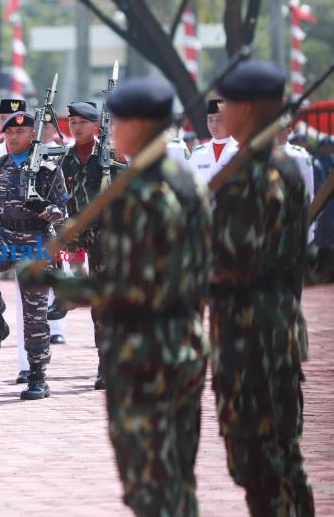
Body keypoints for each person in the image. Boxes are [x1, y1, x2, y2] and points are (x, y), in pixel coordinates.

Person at [23, 77, 212, 514]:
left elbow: (127, 285)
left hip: (148, 349)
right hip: (179, 343)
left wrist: (56, 285)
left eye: (119, 122)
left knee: (150, 481)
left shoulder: (140, 192)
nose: (113, 131)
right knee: (172, 476)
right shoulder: (183, 184)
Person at [211, 60, 314, 516]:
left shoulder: (263, 174)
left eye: (229, 103)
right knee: (256, 461)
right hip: (247, 330)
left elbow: (234, 259)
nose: (221, 112)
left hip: (260, 335)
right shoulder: (255, 166)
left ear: (250, 109)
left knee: (272, 458)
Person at [0, 110, 66, 400]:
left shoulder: (48, 168)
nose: (13, 137)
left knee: (34, 313)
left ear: (33, 135)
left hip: (36, 238)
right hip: (5, 235)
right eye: (9, 132)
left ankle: (37, 376)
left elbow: (63, 211)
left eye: (20, 132)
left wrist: (48, 211)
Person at [57, 100, 120, 389]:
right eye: (72, 122)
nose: (76, 127)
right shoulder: (66, 160)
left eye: (82, 122)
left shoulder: (111, 156)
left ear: (96, 125)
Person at [187, 98, 238, 183]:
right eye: (210, 120)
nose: (214, 125)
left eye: (219, 120)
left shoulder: (238, 149)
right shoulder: (197, 153)